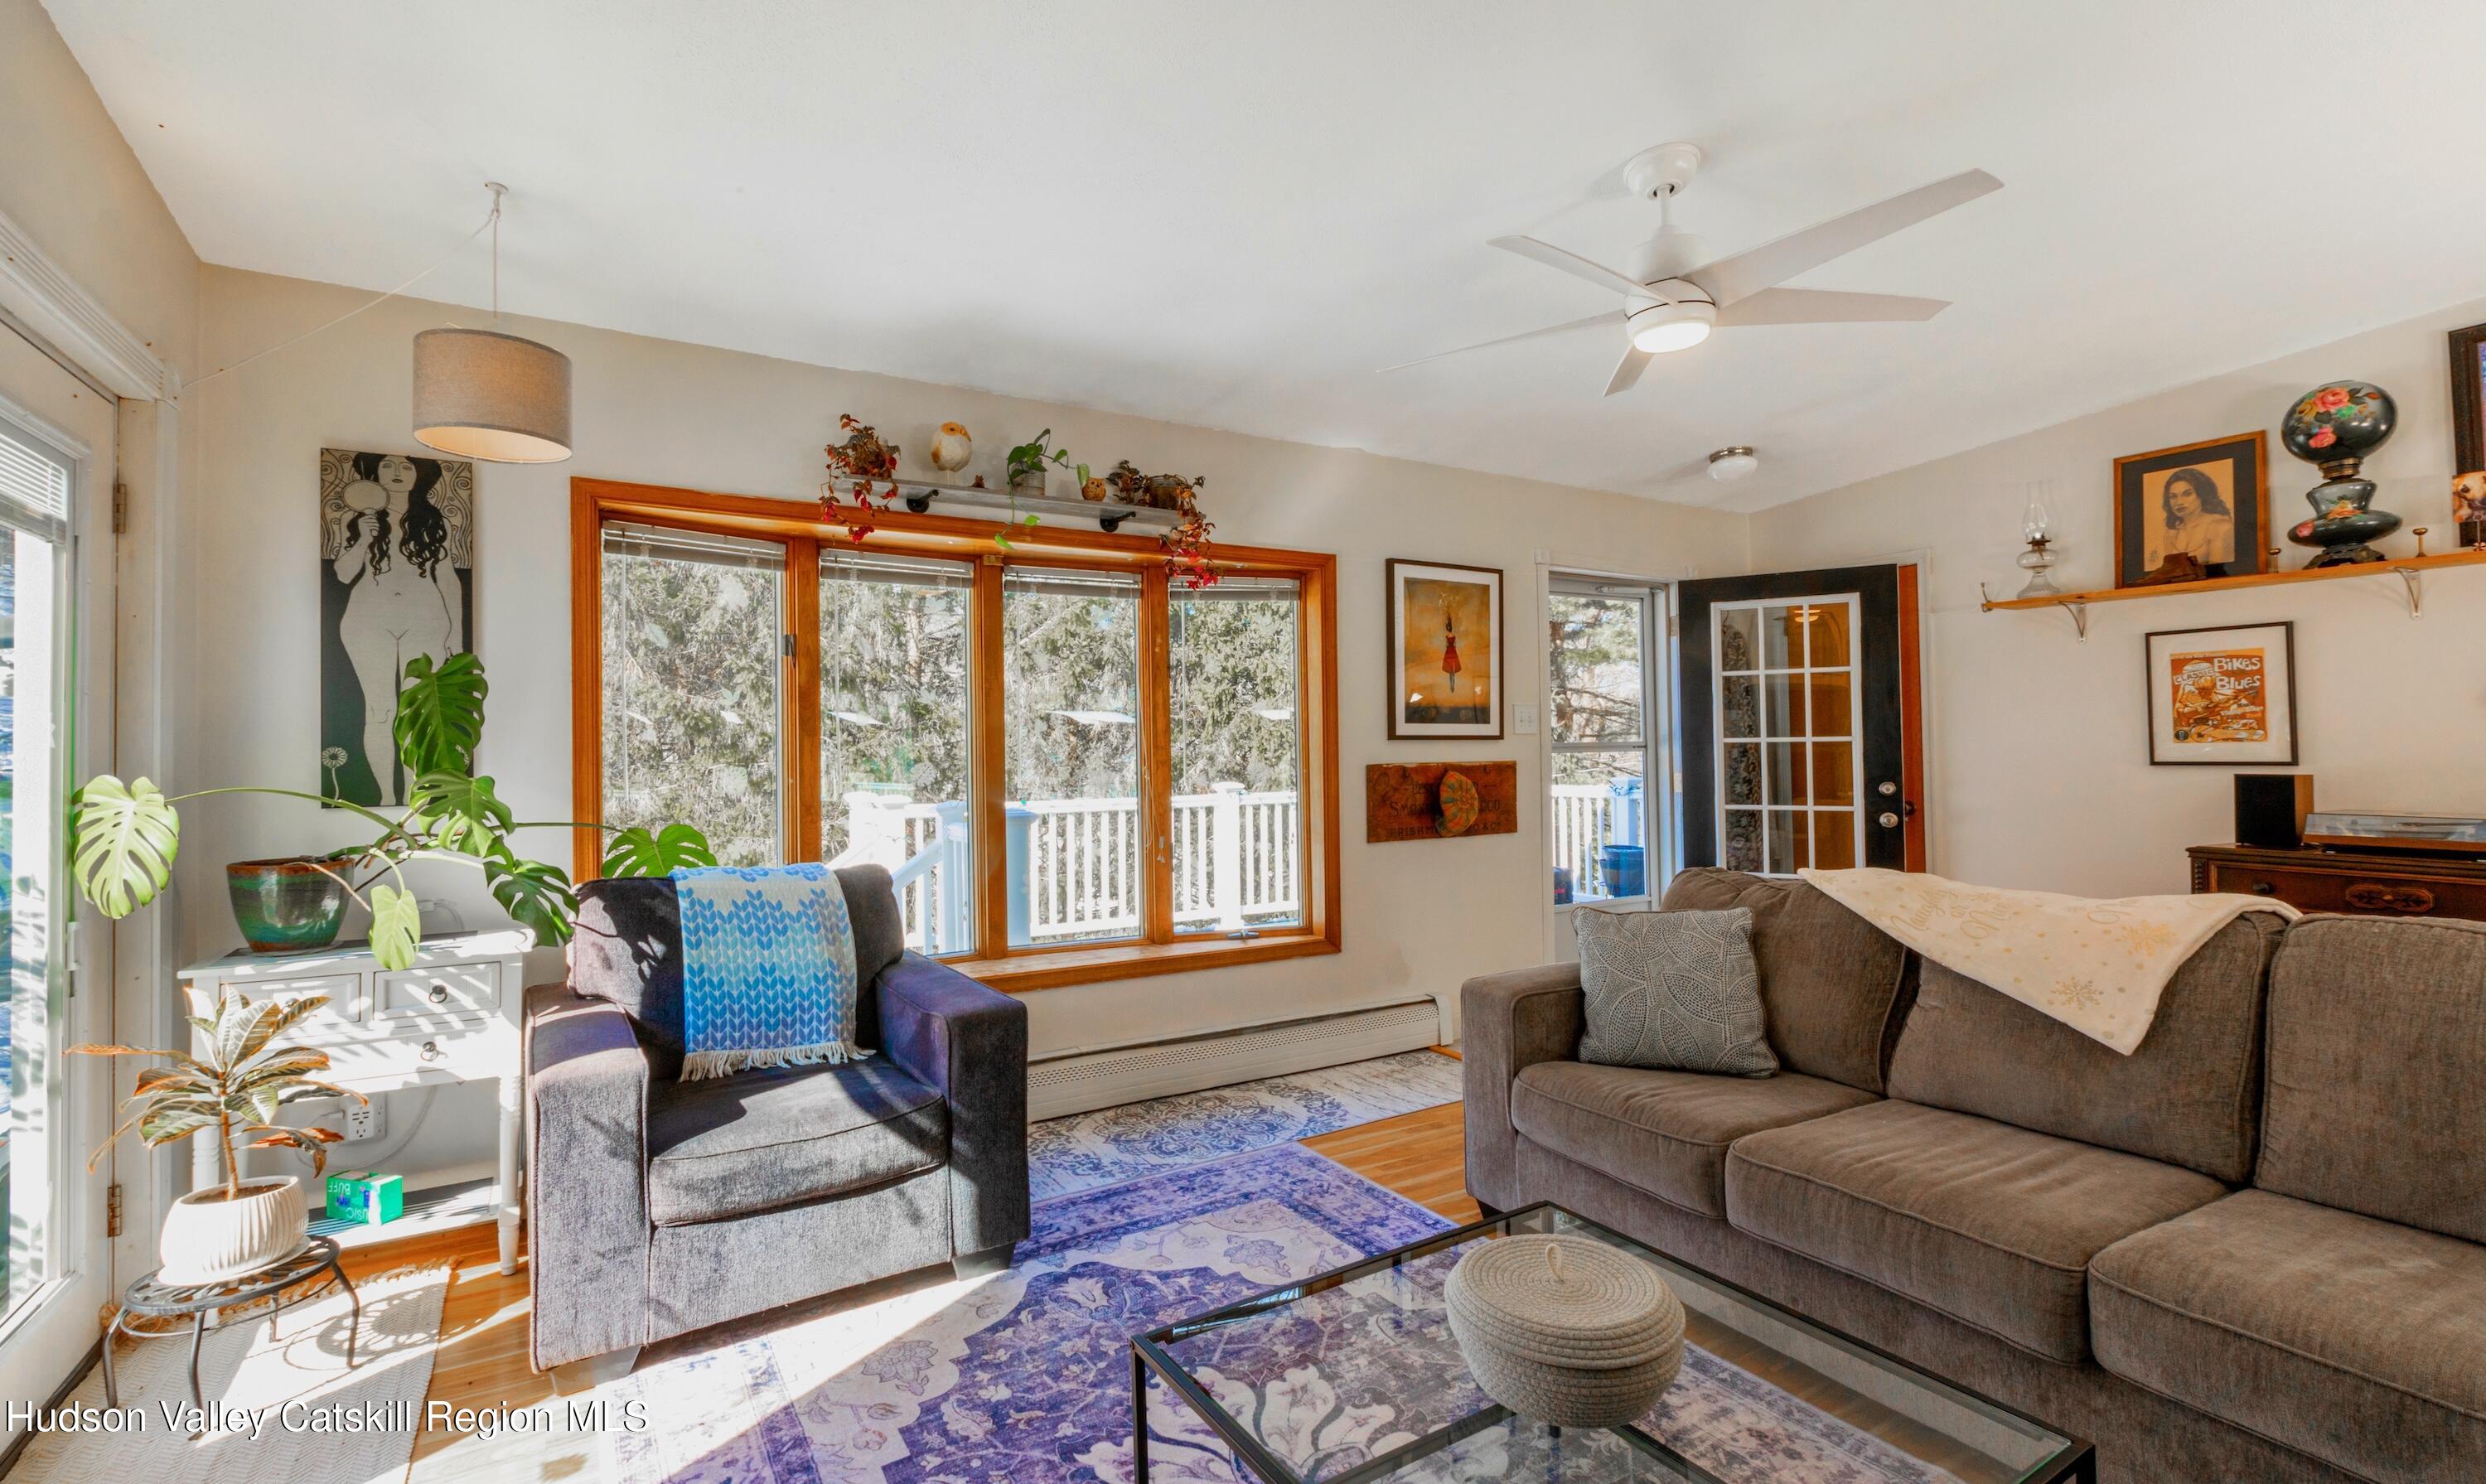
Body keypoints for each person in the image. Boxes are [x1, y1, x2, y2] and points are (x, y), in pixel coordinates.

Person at [331, 452, 462, 803]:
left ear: (418, 475)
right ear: (375, 474)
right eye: (388, 466)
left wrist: (456, 634)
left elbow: (448, 579)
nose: (397, 472)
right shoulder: (358, 519)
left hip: (426, 618)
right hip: (368, 620)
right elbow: (344, 574)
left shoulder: (436, 521)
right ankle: (387, 796)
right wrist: (362, 539)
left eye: (406, 466)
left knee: (415, 713)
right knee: (379, 709)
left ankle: (411, 799)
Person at [2155, 467, 2236, 568]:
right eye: (2173, 496)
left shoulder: (2220, 527)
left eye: (2187, 494)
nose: (2179, 502)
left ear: (2202, 495)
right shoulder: (2171, 534)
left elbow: (2219, 573)